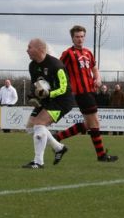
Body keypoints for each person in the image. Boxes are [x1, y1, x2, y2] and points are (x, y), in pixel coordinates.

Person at [51, 25, 118, 163]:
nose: (80, 39)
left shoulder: (88, 52)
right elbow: (58, 68)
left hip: (90, 91)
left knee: (88, 124)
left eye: (82, 36)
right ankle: (101, 155)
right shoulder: (68, 53)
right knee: (95, 122)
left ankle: (57, 137)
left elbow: (94, 68)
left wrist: (98, 78)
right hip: (81, 93)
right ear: (72, 38)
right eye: (77, 37)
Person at [23, 38, 77, 169]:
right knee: (30, 127)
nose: (27, 50)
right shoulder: (32, 66)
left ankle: (38, 162)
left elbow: (64, 88)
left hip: (62, 100)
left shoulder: (56, 65)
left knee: (39, 124)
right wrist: (33, 96)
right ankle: (59, 148)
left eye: (29, 47)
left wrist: (48, 94)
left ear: (40, 49)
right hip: (47, 100)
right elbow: (36, 85)